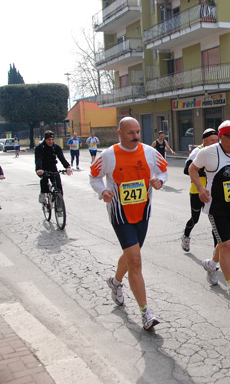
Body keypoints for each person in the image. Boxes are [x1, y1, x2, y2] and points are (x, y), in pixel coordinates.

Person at [90, 117, 168, 330]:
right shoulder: (107, 156)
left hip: (143, 212)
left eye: (138, 132)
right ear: (120, 133)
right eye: (131, 133)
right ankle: (146, 313)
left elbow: (164, 170)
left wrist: (160, 181)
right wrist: (102, 191)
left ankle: (115, 282)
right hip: (120, 214)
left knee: (130, 255)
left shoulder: (150, 153)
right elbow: (94, 176)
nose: (136, 136)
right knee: (135, 261)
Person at [188, 120, 230, 303]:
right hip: (216, 206)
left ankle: (211, 264)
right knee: (225, 245)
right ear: (221, 137)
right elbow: (192, 169)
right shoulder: (208, 152)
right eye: (229, 136)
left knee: (226, 242)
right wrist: (201, 189)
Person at [181, 128, 218, 252]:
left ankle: (216, 251)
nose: (214, 143)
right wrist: (203, 171)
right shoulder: (198, 151)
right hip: (197, 191)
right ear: (204, 140)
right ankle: (186, 236)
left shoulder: (217, 151)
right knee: (194, 219)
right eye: (211, 140)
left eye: (216, 140)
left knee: (215, 222)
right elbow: (186, 169)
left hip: (211, 192)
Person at [35, 131, 72, 203]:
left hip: (52, 166)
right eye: (49, 139)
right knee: (44, 180)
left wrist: (67, 167)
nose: (51, 141)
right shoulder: (40, 147)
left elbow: (62, 158)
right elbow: (38, 159)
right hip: (43, 167)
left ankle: (59, 204)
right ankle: (43, 194)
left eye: (52, 139)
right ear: (45, 139)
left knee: (58, 186)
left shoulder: (56, 147)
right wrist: (38, 169)